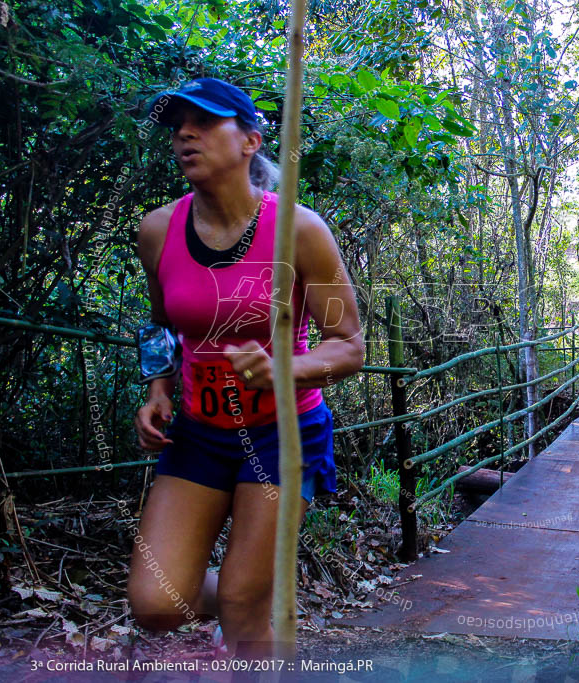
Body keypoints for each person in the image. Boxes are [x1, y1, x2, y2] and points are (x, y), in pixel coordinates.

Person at [129, 78, 365, 660]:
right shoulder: (157, 231)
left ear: (251, 141)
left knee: (243, 602)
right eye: (178, 125)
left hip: (282, 434)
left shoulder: (300, 231)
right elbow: (161, 324)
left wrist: (282, 370)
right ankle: (250, 606)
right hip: (199, 434)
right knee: (157, 604)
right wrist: (158, 387)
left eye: (204, 123)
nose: (185, 134)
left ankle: (252, 618)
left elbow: (348, 346)